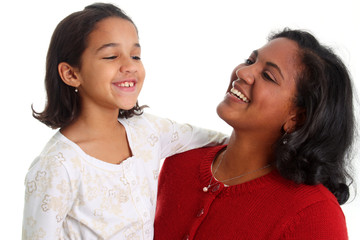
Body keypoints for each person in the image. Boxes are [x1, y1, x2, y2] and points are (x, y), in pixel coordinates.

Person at [22, 3, 227, 240]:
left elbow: (220, 140)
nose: (129, 66)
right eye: (111, 56)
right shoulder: (58, 166)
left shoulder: (148, 131)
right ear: (71, 74)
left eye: (136, 55)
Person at [154, 28, 355, 240]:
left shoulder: (314, 214)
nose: (243, 72)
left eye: (268, 76)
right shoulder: (179, 162)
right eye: (250, 61)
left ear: (297, 118)